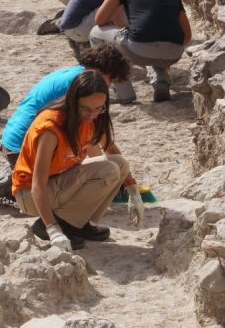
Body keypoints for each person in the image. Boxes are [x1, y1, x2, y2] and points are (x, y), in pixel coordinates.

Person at [0, 45, 142, 235]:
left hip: (18, 142)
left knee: (109, 166)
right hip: (25, 146)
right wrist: (98, 181)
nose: (109, 86)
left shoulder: (82, 92)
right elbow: (92, 149)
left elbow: (103, 144)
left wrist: (131, 187)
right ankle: (62, 220)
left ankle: (75, 219)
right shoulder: (79, 90)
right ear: (101, 71)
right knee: (100, 170)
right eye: (110, 80)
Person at [12, 70, 138, 251]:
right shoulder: (51, 128)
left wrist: (133, 190)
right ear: (72, 102)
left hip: (60, 182)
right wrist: (53, 229)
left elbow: (111, 149)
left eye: (98, 109)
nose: (91, 115)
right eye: (85, 109)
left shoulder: (92, 117)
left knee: (119, 164)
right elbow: (37, 185)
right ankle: (57, 225)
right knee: (108, 170)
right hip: (31, 195)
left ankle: (80, 224)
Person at [90, 0, 192, 103]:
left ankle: (124, 93)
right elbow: (187, 34)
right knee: (152, 35)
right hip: (174, 53)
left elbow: (100, 19)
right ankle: (161, 80)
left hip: (139, 49)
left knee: (95, 33)